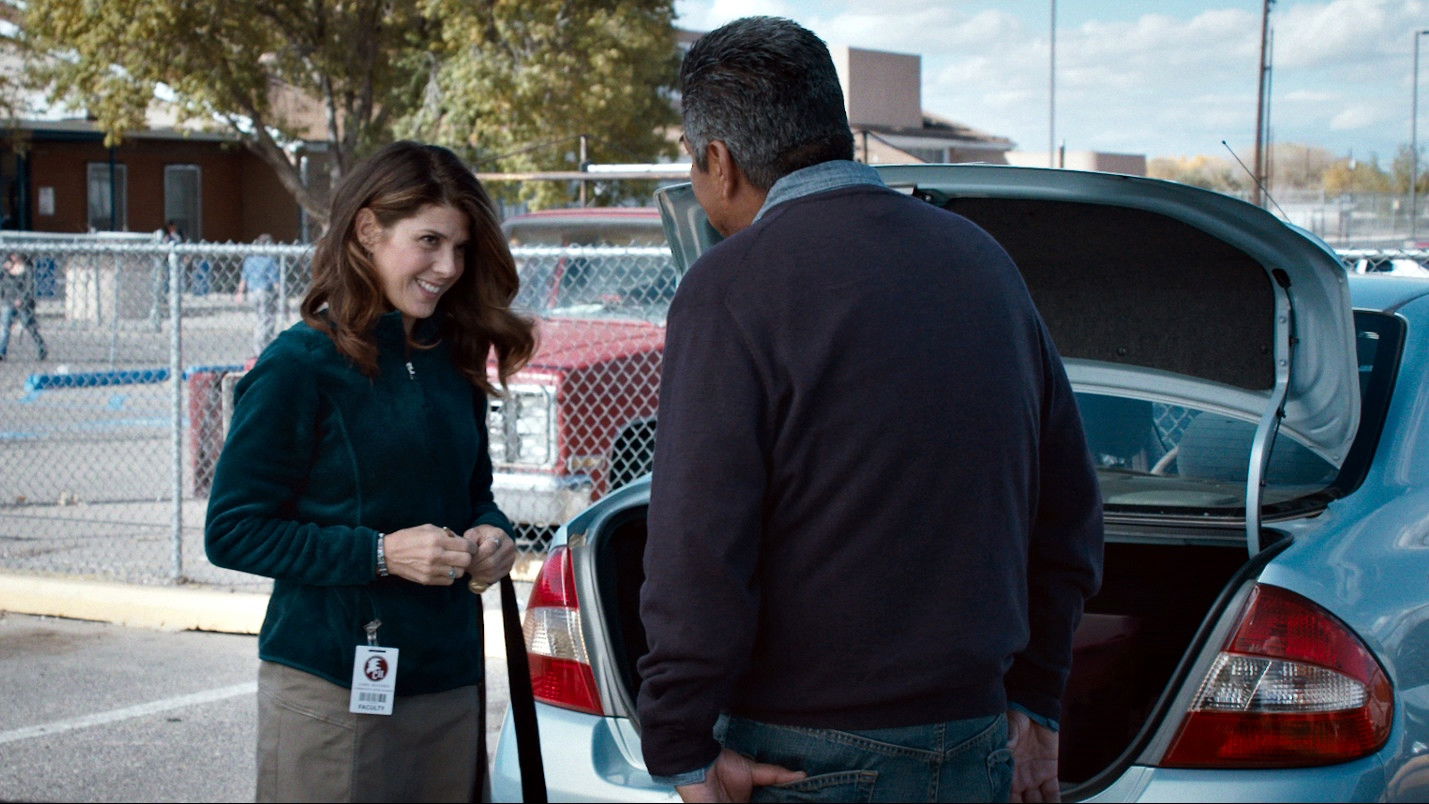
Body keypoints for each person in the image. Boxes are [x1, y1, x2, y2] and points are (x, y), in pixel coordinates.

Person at [637, 17, 1104, 804]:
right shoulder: (982, 262)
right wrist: (1035, 698)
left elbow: (698, 547)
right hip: (978, 739)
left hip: (804, 755)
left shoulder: (731, 285)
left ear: (717, 160)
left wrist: (679, 744)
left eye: (691, 159)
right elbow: (1068, 512)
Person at [205, 141, 536, 802]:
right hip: (331, 689)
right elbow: (233, 531)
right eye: (429, 241)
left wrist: (491, 534)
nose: (448, 267)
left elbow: (474, 494)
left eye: (460, 247)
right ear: (366, 231)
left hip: (450, 683)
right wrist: (380, 554)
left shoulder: (453, 356)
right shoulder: (299, 364)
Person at [237, 234, 281, 357]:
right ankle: (263, 347)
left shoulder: (250, 259)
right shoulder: (270, 260)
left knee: (260, 319)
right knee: (267, 319)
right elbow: (276, 282)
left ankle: (259, 347)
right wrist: (281, 295)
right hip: (265, 292)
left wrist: (240, 292)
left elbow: (244, 278)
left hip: (252, 292)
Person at [0, 252, 47, 361]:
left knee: (28, 325)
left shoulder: (27, 269)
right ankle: (2, 352)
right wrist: (3, 269)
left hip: (23, 304)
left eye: (15, 254)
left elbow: (29, 286)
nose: (13, 256)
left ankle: (41, 347)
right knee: (6, 327)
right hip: (9, 300)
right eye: (12, 254)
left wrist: (22, 298)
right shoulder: (7, 268)